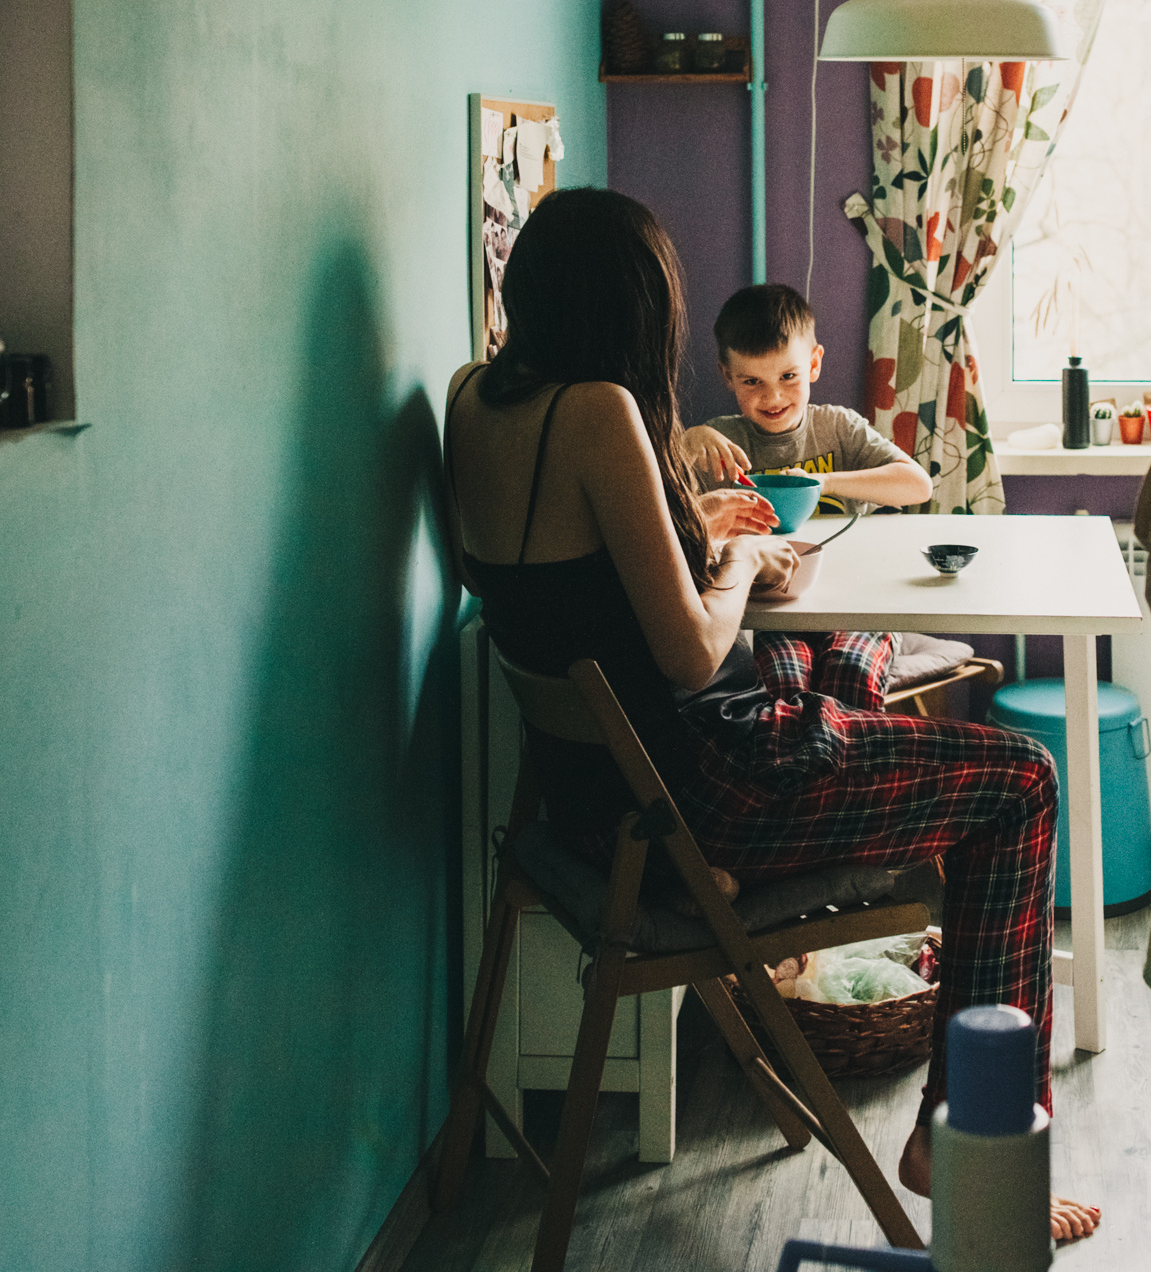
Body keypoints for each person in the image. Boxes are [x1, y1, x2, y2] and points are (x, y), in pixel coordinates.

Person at [443, 189, 1100, 1244]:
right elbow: (694, 650)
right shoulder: (601, 410)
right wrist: (742, 557)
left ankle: (863, 699)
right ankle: (962, 1131)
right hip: (709, 798)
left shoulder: (475, 398)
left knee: (837, 661)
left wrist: (683, 522)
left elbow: (561, 574)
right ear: (628, 306)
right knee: (1022, 777)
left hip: (584, 810)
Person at [679, 283, 933, 515]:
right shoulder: (714, 443)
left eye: (788, 376)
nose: (773, 397)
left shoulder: (840, 427)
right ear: (728, 376)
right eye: (752, 381)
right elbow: (659, 512)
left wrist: (824, 482)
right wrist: (685, 446)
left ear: (813, 364)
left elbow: (919, 486)